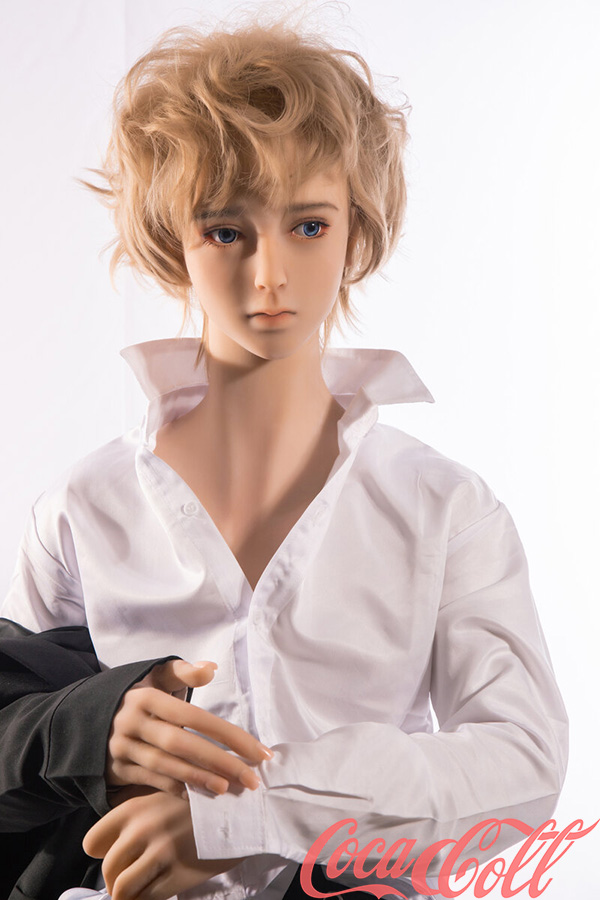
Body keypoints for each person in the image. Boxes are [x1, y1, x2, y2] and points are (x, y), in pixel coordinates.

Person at [0, 15, 568, 900]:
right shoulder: (81, 509)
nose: (270, 275)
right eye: (226, 231)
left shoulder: (443, 509)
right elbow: (19, 752)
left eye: (307, 225)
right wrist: (87, 731)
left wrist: (248, 815)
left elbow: (521, 765)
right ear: (172, 239)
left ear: (356, 232)